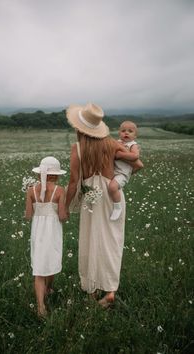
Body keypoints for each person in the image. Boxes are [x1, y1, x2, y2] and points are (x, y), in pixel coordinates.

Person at [65, 103, 142, 308]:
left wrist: (64, 207)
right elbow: (139, 165)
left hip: (92, 196)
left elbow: (73, 183)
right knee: (112, 242)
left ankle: (91, 290)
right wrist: (120, 176)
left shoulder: (78, 149)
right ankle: (110, 291)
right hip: (110, 192)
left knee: (90, 241)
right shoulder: (111, 144)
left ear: (79, 128)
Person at [25, 156, 67, 317]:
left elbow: (28, 215)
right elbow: (62, 216)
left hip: (38, 230)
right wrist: (66, 214)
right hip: (53, 230)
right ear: (56, 175)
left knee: (39, 265)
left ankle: (40, 306)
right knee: (51, 258)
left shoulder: (31, 191)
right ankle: (49, 288)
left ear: (40, 174)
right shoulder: (59, 191)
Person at [109, 120, 144, 220]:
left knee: (112, 187)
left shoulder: (133, 145)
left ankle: (117, 207)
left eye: (130, 131)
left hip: (122, 173)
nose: (126, 133)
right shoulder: (117, 142)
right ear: (119, 133)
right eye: (123, 130)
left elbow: (135, 157)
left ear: (135, 136)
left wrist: (121, 154)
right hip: (113, 170)